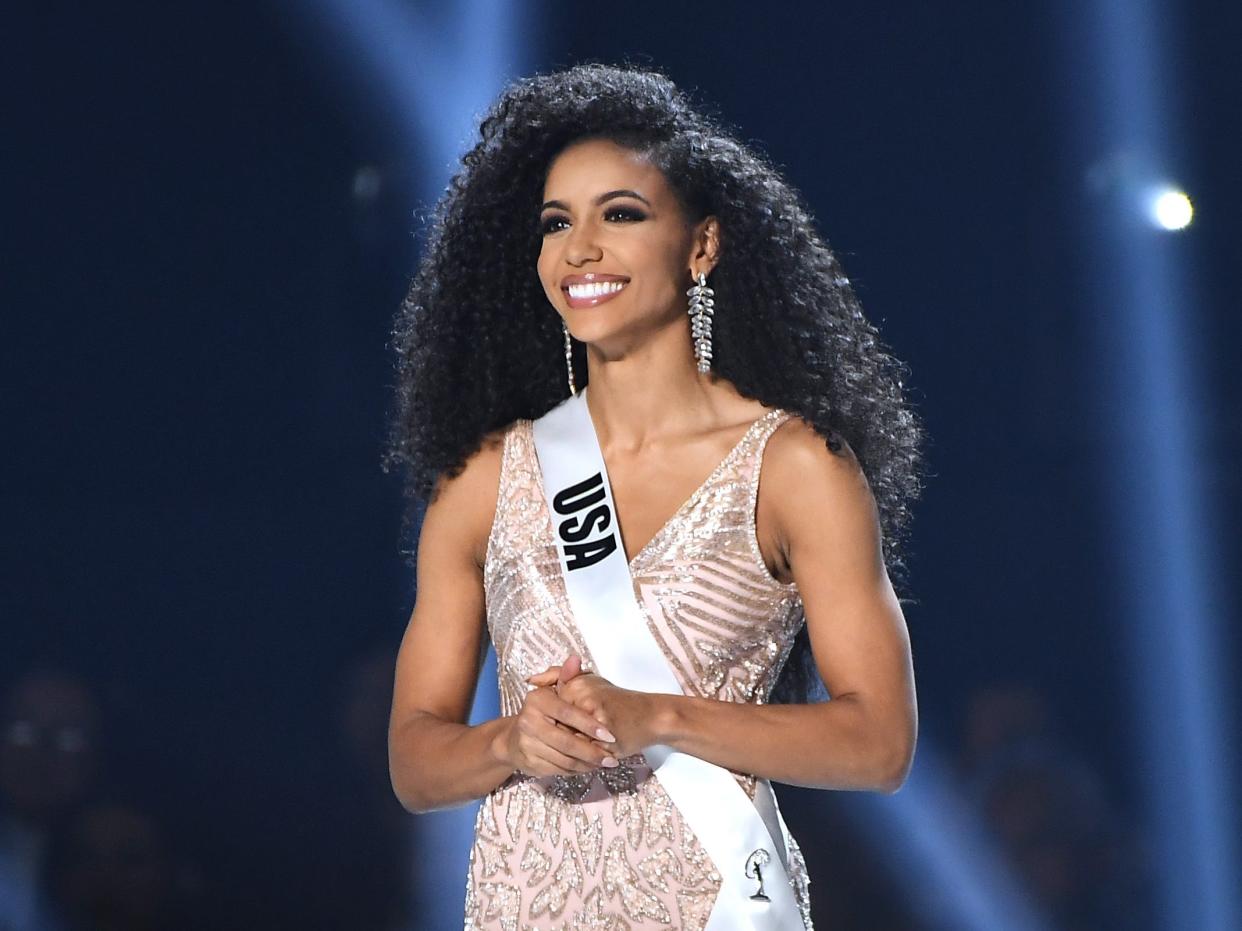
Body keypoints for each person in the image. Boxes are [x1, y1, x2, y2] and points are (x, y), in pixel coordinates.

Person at [384, 62, 924, 930]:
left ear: (702, 246)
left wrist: (659, 714)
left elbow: (880, 744)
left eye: (621, 215)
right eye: (557, 223)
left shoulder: (793, 466)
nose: (580, 249)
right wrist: (508, 740)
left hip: (718, 902)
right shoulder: (486, 478)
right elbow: (415, 760)